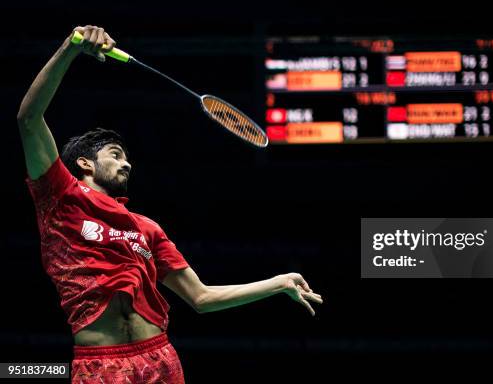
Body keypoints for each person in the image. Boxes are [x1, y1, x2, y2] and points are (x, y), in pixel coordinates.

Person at [17, 25, 323, 383]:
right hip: (100, 366)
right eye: (115, 155)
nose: (127, 163)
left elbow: (201, 297)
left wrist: (279, 282)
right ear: (85, 164)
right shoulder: (59, 199)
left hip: (158, 360)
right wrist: (71, 48)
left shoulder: (147, 229)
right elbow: (28, 118)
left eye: (127, 158)